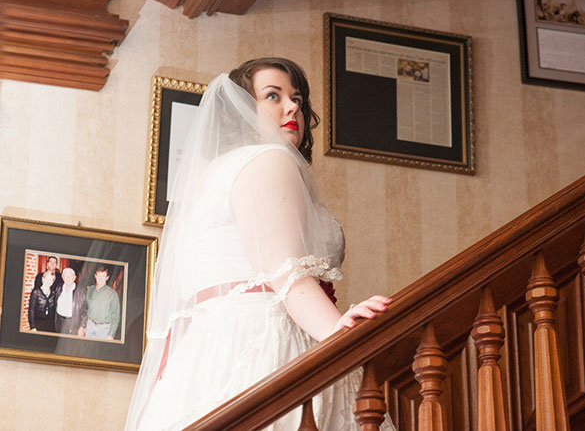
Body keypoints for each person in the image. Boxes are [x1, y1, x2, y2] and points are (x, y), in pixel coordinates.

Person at [125, 58, 395, 431]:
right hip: (267, 343)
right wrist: (340, 333)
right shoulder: (267, 160)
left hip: (207, 355)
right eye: (274, 96)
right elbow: (285, 272)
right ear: (241, 111)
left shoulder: (216, 173)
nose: (293, 107)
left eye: (297, 98)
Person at [85, 266, 120, 340]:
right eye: (99, 275)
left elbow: (115, 316)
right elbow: (86, 308)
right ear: (95, 276)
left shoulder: (112, 294)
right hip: (90, 325)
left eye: (103, 276)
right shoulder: (90, 290)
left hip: (104, 329)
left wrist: (111, 334)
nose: (100, 278)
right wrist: (83, 326)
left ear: (107, 277)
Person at [54, 267, 88, 336]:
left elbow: (85, 310)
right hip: (59, 322)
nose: (68, 278)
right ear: (62, 277)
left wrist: (82, 327)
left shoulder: (81, 291)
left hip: (73, 323)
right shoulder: (58, 288)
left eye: (70, 276)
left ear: (74, 277)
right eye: (66, 276)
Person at [28, 261, 58, 332]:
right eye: (47, 278)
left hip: (50, 324)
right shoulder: (36, 292)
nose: (49, 281)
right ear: (43, 279)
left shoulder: (53, 293)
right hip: (38, 323)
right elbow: (31, 310)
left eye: (51, 279)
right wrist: (32, 326)